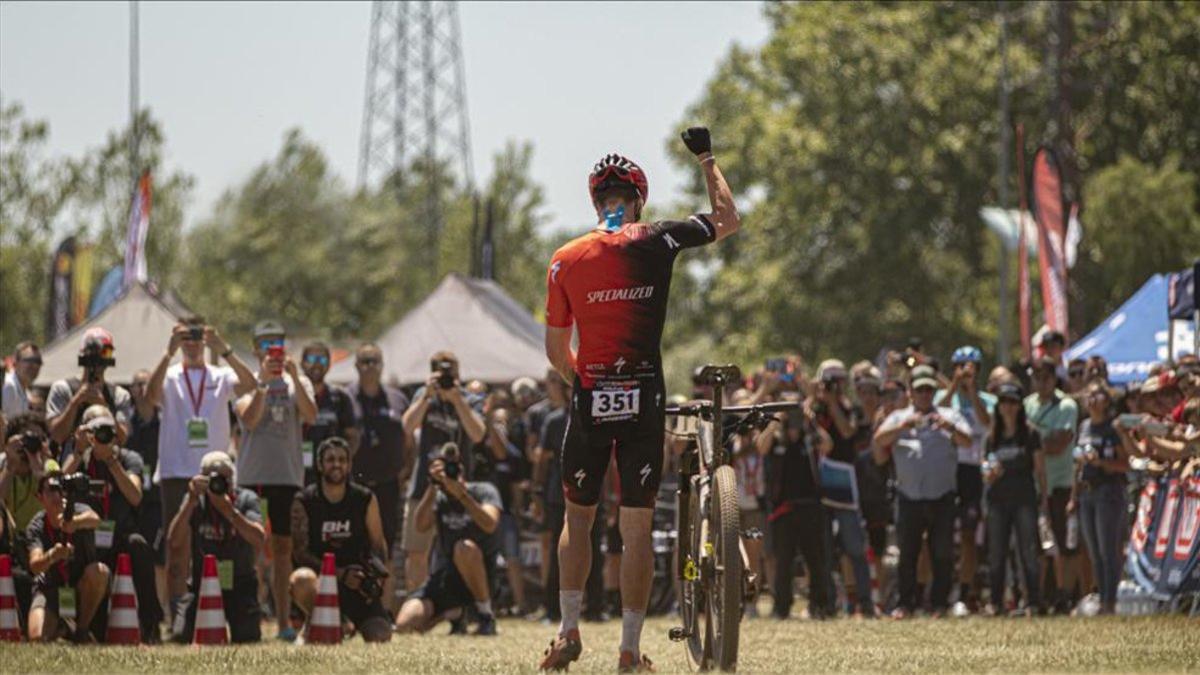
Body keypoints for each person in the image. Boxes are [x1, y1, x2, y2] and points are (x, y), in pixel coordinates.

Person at [540, 126, 739, 671]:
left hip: (590, 396)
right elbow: (728, 220)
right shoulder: (657, 238)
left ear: (596, 201)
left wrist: (593, 380)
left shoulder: (565, 257)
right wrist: (706, 158)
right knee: (636, 529)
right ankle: (629, 649)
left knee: (576, 520)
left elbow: (557, 351)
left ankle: (568, 633)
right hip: (644, 395)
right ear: (637, 200)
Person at [145, 315, 255, 626]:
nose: (191, 344)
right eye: (185, 337)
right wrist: (167, 353)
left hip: (214, 471)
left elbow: (250, 384)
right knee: (176, 545)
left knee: (215, 543)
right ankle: (177, 618)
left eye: (196, 337)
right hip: (176, 471)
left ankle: (215, 611)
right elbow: (151, 397)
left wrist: (225, 349)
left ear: (205, 339)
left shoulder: (219, 375)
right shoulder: (169, 375)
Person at [235, 320, 316, 641]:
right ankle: (250, 618)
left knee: (283, 549)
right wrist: (263, 385)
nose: (272, 350)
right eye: (265, 344)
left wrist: (294, 376)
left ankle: (283, 622)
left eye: (277, 343)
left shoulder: (300, 382)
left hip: (286, 475)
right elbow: (250, 420)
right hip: (253, 476)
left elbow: (311, 415)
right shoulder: (246, 381)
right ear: (255, 350)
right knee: (252, 548)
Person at [873, 365, 973, 618]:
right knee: (908, 553)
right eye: (920, 390)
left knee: (942, 553)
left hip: (942, 496)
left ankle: (939, 603)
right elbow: (879, 441)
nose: (925, 395)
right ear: (910, 392)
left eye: (929, 390)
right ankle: (905, 603)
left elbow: (968, 441)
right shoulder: (898, 417)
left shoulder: (950, 415)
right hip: (909, 498)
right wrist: (904, 426)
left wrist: (948, 427)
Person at [61, 405, 161, 641]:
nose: (101, 436)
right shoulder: (78, 459)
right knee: (100, 629)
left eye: (106, 429)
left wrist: (112, 462)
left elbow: (135, 496)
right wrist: (78, 452)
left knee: (139, 545)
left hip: (120, 537)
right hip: (87, 542)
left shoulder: (128, 458)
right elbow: (56, 487)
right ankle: (77, 623)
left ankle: (151, 623)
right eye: (95, 429)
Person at [289, 438, 393, 643]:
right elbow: (300, 553)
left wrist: (377, 577)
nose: (336, 464)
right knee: (301, 580)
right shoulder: (305, 500)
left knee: (381, 636)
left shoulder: (365, 498)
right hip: (321, 583)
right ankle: (317, 620)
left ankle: (347, 622)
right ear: (320, 465)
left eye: (342, 459)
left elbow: (378, 544)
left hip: (358, 585)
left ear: (349, 464)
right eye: (330, 459)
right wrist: (340, 574)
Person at [400, 351, 485, 592]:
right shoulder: (424, 395)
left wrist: (457, 400)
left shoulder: (470, 399)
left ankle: (459, 611)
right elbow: (407, 426)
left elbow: (478, 434)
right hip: (423, 486)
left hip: (458, 489)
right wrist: (428, 395)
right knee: (417, 552)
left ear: (459, 373)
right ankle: (416, 605)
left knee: (461, 550)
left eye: (451, 372)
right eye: (442, 372)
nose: (447, 377)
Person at [395, 443, 502, 636]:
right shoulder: (439, 496)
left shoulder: (483, 490)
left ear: (462, 468)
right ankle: (453, 614)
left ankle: (486, 615)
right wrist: (433, 486)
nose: (451, 472)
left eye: (454, 467)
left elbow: (490, 523)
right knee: (404, 625)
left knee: (464, 548)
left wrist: (462, 495)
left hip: (481, 578)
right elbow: (420, 526)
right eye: (445, 468)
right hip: (447, 579)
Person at [167, 451, 266, 643]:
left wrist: (229, 512)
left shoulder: (247, 499)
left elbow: (259, 539)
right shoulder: (195, 501)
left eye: (223, 477)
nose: (217, 483)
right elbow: (174, 542)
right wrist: (190, 501)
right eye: (211, 477)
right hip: (201, 585)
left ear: (232, 479)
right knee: (182, 636)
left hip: (240, 583)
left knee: (248, 637)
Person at [935, 346, 995, 615]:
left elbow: (988, 423)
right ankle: (940, 591)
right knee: (943, 534)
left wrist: (971, 392)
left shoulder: (988, 400)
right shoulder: (941, 395)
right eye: (961, 367)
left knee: (969, 534)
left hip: (973, 470)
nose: (967, 373)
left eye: (971, 368)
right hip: (946, 468)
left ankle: (965, 590)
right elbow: (936, 413)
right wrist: (954, 387)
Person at [811, 359, 874, 617]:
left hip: (845, 486)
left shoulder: (851, 409)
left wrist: (833, 403)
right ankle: (825, 605)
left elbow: (847, 432)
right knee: (823, 550)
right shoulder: (814, 409)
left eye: (839, 382)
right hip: (818, 486)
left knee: (855, 548)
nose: (835, 387)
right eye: (830, 381)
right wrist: (812, 400)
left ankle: (866, 604)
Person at [764, 394, 834, 619]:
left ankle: (820, 605)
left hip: (810, 506)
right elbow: (761, 447)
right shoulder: (777, 436)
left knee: (815, 559)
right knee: (783, 560)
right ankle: (781, 608)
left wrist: (809, 419)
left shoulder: (808, 435)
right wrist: (776, 419)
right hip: (783, 508)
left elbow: (828, 445)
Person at [25, 467, 109, 642]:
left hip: (79, 588)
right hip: (50, 589)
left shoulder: (77, 509)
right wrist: (52, 556)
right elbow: (34, 565)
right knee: (37, 637)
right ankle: (62, 628)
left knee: (99, 572)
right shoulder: (36, 526)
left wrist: (75, 523)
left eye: (60, 489)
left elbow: (96, 519)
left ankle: (82, 630)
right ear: (40, 498)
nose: (57, 495)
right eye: (51, 490)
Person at [981, 383, 1044, 616]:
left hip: (1024, 499)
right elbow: (985, 469)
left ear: (1020, 406)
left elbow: (1040, 470)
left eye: (1012, 402)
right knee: (996, 553)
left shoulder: (1030, 433)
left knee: (1027, 552)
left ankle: (1032, 602)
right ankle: (996, 602)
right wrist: (990, 473)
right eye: (1004, 402)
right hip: (997, 501)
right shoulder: (992, 436)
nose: (1008, 407)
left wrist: (1044, 500)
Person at [1023, 356, 1080, 612]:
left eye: (1046, 376)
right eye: (1036, 377)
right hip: (1032, 486)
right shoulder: (1026, 405)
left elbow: (1059, 445)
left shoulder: (1066, 405)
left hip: (1060, 484)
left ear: (1054, 377)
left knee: (1063, 545)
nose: (1041, 382)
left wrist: (1033, 446)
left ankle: (1065, 596)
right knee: (1038, 547)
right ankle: (1041, 598)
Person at [1069, 383, 1128, 615]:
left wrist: (1101, 463)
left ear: (1107, 399)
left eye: (1097, 394)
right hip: (1086, 492)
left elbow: (1124, 463)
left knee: (1108, 550)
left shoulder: (1112, 428)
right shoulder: (1084, 426)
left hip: (1108, 491)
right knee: (1094, 552)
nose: (1091, 398)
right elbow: (1077, 465)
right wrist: (1073, 496)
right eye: (1089, 394)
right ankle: (1103, 598)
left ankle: (1109, 603)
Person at [346, 343, 408, 557]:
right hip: (354, 483)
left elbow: (409, 438)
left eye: (375, 361)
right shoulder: (345, 399)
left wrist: (406, 470)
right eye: (365, 361)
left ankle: (386, 592)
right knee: (353, 545)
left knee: (386, 548)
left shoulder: (397, 399)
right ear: (356, 365)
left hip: (388, 485)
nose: (370, 366)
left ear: (382, 365)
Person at [46, 327, 133, 457]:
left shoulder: (118, 395)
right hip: (70, 462)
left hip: (106, 465)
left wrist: (105, 408)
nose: (98, 359)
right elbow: (57, 435)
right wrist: (76, 402)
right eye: (93, 353)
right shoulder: (63, 389)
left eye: (105, 353)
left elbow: (121, 439)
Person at [533, 373, 570, 623]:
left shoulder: (590, 419)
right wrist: (537, 494)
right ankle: (551, 607)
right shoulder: (554, 421)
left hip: (588, 491)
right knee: (557, 551)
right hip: (557, 493)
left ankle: (596, 606)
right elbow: (542, 460)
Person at [301, 341, 359, 486]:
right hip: (298, 473)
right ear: (302, 363)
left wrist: (340, 462)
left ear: (329, 364)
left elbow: (353, 436)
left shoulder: (340, 397)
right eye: (312, 360)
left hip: (331, 477)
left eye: (322, 360)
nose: (317, 364)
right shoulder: (292, 395)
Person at [1, 412, 54, 532]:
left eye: (39, 439)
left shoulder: (49, 466)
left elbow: (56, 504)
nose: (33, 443)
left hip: (39, 537)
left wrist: (39, 471)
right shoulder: (2, 463)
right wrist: (10, 467)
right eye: (28, 438)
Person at [2, 342, 41, 418]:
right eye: (30, 360)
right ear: (15, 363)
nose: (35, 365)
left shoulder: (24, 392)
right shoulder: (8, 386)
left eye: (38, 361)